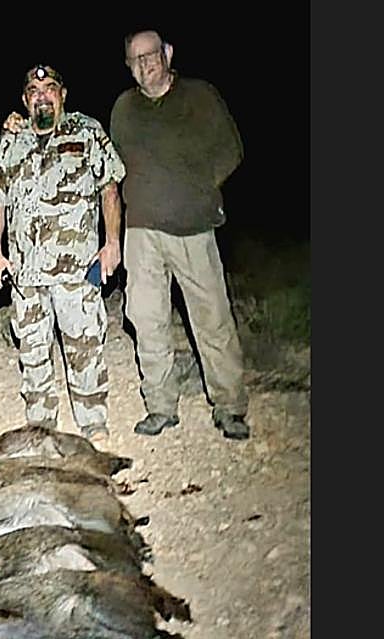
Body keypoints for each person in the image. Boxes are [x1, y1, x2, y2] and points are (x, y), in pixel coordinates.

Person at [110, 30, 251, 440]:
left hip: (193, 227)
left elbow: (231, 149)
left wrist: (201, 186)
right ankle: (160, 405)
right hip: (141, 232)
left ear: (167, 54)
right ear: (128, 66)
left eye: (151, 55)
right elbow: (113, 162)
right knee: (147, 319)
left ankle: (229, 406)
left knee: (212, 318)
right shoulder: (123, 108)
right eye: (135, 59)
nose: (144, 64)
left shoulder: (200, 95)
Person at [0, 65, 125, 444]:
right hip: (26, 276)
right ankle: (41, 425)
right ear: (25, 99)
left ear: (63, 93)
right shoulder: (11, 140)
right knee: (32, 351)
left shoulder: (87, 131)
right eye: (33, 90)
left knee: (85, 347)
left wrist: (112, 244)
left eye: (49, 88)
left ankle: (93, 421)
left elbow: (109, 189)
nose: (42, 95)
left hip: (78, 270)